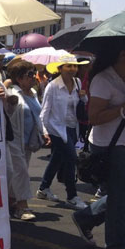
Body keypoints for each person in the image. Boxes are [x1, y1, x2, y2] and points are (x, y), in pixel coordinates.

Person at [71, 40, 125, 249]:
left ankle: (86, 217)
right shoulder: (103, 79)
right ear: (123, 54)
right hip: (110, 144)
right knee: (121, 194)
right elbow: (95, 118)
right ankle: (116, 246)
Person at [36, 55, 90, 210]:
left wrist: (83, 97)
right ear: (60, 68)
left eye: (74, 66)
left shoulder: (78, 83)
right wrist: (45, 132)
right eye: (68, 66)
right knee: (71, 159)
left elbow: (82, 103)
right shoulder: (52, 86)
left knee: (57, 159)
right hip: (56, 128)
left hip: (73, 127)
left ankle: (43, 188)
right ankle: (72, 195)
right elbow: (44, 111)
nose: (73, 69)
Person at [8, 60, 48, 220]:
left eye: (34, 73)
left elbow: (38, 115)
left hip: (28, 141)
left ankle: (10, 201)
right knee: (21, 172)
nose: (34, 77)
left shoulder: (32, 92)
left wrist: (44, 132)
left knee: (16, 174)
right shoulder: (12, 94)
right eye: (30, 74)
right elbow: (9, 110)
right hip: (14, 141)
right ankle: (22, 207)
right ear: (19, 78)